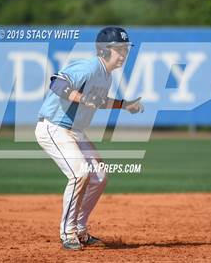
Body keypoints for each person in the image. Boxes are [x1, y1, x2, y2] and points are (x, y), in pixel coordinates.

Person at [35, 26, 144, 251]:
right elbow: (57, 82)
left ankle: (80, 229)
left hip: (75, 132)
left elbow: (99, 101)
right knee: (80, 172)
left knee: (99, 176)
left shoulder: (107, 76)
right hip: (54, 127)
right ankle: (67, 233)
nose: (123, 54)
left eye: (125, 49)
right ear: (104, 51)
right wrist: (81, 98)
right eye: (118, 49)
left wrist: (124, 105)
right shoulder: (89, 66)